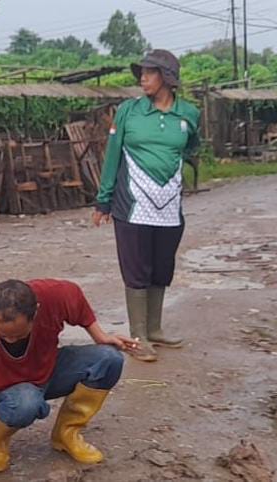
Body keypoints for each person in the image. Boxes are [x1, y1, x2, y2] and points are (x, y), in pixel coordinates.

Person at [0, 279, 136, 475]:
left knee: (109, 359)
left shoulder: (51, 295)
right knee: (27, 403)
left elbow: (73, 296)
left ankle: (66, 434)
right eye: (2, 335)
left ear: (36, 312)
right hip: (0, 387)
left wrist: (100, 336)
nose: (10, 340)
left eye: (18, 335)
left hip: (45, 369)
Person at [92, 49, 200, 362]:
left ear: (167, 79)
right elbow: (112, 155)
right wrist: (104, 200)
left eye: (150, 72)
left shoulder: (189, 115)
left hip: (168, 206)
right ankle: (138, 335)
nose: (143, 78)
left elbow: (192, 147)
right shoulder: (129, 111)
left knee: (162, 265)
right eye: (142, 71)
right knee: (136, 267)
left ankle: (154, 329)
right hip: (132, 204)